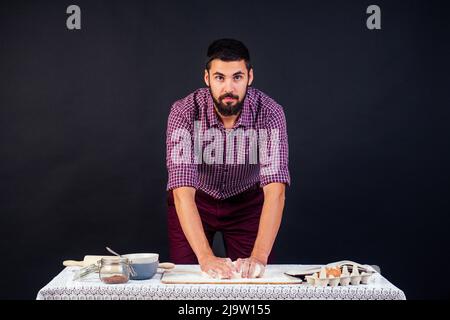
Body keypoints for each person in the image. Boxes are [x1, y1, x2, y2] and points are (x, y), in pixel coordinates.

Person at [166, 38, 290, 279]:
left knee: (253, 278)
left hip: (247, 204)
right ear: (207, 78)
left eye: (237, 77)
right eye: (220, 77)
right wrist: (205, 257)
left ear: (250, 77)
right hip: (196, 202)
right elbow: (182, 192)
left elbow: (276, 191)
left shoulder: (271, 113)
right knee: (189, 279)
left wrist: (259, 256)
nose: (229, 89)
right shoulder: (183, 112)